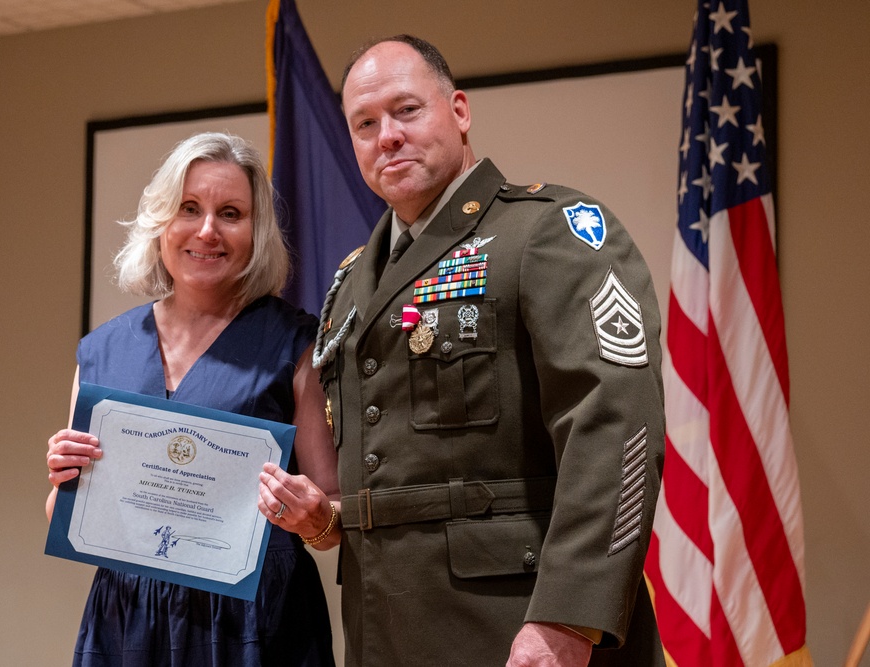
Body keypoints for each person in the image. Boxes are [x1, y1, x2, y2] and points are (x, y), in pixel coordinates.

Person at [260, 35, 666, 666]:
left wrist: (569, 617)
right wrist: (324, 519)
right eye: (365, 124)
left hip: (519, 628)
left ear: (459, 111)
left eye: (406, 110)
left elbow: (615, 426)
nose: (387, 136)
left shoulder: (545, 231)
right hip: (383, 633)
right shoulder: (351, 282)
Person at [45, 132, 339, 666]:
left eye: (231, 213)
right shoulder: (103, 352)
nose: (207, 230)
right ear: (161, 219)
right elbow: (63, 518)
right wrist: (65, 479)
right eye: (189, 208)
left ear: (256, 232)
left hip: (254, 621)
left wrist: (311, 518)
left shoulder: (294, 344)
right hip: (129, 620)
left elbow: (331, 520)